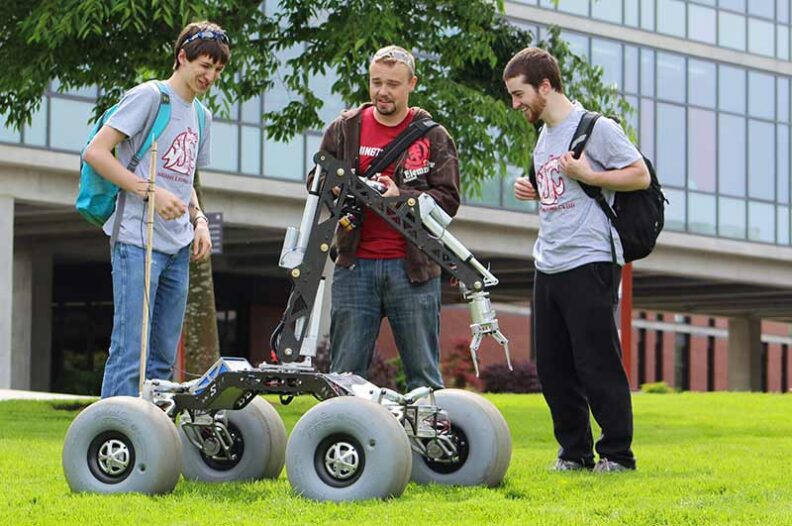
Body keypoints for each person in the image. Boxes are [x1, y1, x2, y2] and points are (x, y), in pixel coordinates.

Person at [503, 47, 650, 472]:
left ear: (545, 86)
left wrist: (592, 176)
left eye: (519, 94)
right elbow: (557, 191)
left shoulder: (596, 128)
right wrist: (533, 188)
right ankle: (574, 453)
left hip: (590, 259)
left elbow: (638, 174)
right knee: (553, 367)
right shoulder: (544, 137)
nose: (516, 104)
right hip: (548, 262)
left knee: (596, 362)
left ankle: (618, 455)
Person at [83, 21, 230, 398]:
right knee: (131, 350)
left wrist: (198, 221)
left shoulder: (201, 116)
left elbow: (184, 180)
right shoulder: (150, 97)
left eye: (217, 69)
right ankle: (114, 437)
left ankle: (150, 439)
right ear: (182, 57)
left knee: (163, 357)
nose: (210, 75)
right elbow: (95, 153)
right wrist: (150, 192)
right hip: (136, 238)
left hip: (178, 244)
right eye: (204, 65)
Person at [317, 45, 461, 391]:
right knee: (344, 377)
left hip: (414, 269)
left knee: (423, 378)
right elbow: (317, 178)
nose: (383, 91)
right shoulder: (345, 127)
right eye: (376, 82)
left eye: (393, 84)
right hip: (354, 265)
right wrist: (335, 189)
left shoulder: (433, 135)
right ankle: (344, 442)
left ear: (412, 83)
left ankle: (428, 444)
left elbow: (449, 200)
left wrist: (402, 197)